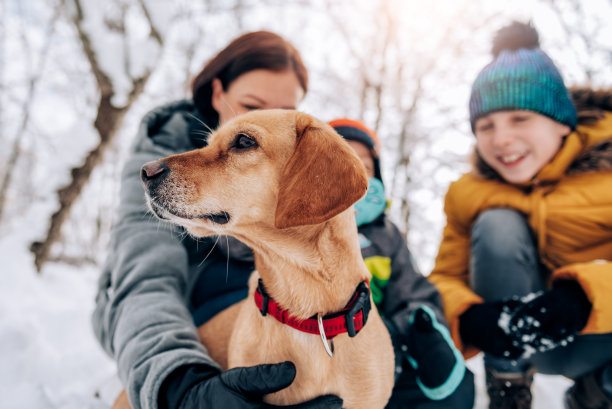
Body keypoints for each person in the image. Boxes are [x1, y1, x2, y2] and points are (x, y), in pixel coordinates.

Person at [93, 31, 343, 409]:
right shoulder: (160, 160)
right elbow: (143, 280)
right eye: (251, 105)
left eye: (280, 113)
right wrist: (180, 385)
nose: (265, 123)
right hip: (188, 315)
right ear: (216, 93)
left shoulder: (295, 171)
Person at [427, 21, 612, 409]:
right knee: (498, 223)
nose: (500, 139)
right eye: (485, 126)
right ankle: (507, 383)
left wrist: (581, 298)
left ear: (561, 121)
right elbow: (445, 278)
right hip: (523, 339)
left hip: (603, 340)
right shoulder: (470, 193)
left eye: (520, 119)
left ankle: (598, 392)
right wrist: (470, 316)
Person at [329, 119, 475, 409]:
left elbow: (412, 291)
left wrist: (416, 328)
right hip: (326, 355)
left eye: (365, 168)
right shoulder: (298, 230)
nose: (355, 176)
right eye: (341, 164)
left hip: (386, 346)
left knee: (456, 388)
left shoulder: (386, 235)